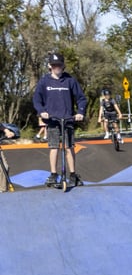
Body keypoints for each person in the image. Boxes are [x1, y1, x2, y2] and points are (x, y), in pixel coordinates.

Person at [32, 51, 86, 187]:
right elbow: (37, 100)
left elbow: (81, 98)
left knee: (69, 147)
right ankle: (53, 174)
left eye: (59, 65)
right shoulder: (44, 82)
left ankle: (73, 174)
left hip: (68, 118)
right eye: (54, 65)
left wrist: (80, 112)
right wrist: (42, 112)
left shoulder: (69, 80)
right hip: (52, 120)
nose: (57, 67)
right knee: (54, 147)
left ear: (63, 66)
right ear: (49, 66)